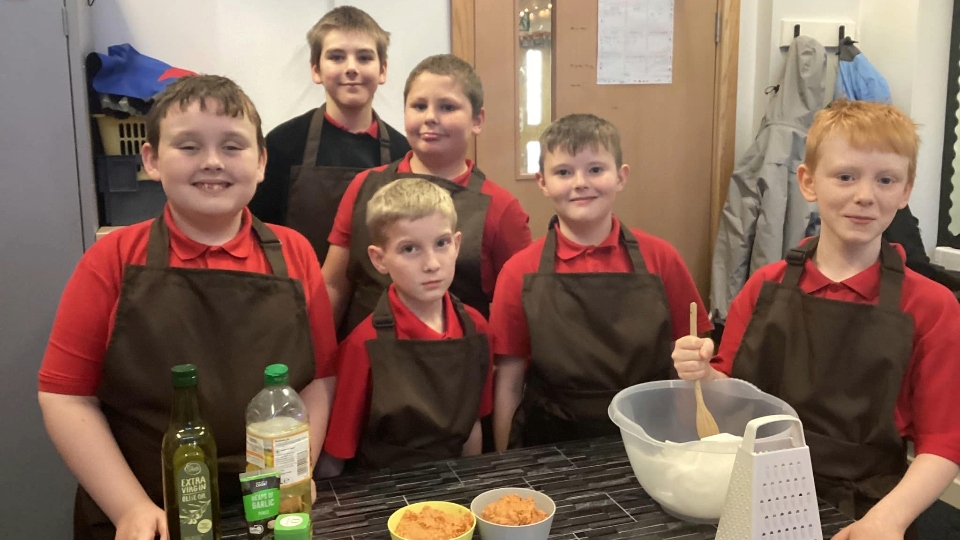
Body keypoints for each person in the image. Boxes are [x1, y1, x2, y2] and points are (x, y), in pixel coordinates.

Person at [37, 75, 339, 540]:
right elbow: (66, 396)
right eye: (190, 146)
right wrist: (128, 507)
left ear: (261, 163)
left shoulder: (295, 253)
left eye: (233, 146)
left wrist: (296, 473)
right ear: (152, 160)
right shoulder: (112, 259)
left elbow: (319, 380)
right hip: (148, 510)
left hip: (269, 507)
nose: (213, 162)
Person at [673, 99, 960, 540]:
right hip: (752, 497)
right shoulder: (764, 287)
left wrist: (888, 520)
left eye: (886, 180)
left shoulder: (932, 307)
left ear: (905, 191)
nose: (865, 195)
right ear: (808, 181)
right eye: (845, 176)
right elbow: (728, 404)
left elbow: (943, 443)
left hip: (867, 510)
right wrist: (704, 376)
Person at [490, 113, 710, 450]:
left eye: (595, 169)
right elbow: (508, 380)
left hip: (650, 439)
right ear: (542, 182)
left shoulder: (662, 260)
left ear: (621, 177)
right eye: (564, 172)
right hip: (549, 446)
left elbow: (693, 361)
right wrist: (504, 463)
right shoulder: (519, 272)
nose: (580, 182)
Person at [322, 53, 532, 339]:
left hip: (457, 368)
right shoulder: (364, 187)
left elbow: (516, 310)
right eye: (419, 106)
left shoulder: (501, 208)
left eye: (447, 107)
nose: (430, 117)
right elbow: (334, 285)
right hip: (367, 363)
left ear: (477, 120)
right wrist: (323, 366)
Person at [322, 178, 493, 471]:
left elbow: (473, 424)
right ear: (379, 259)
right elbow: (336, 455)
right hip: (383, 489)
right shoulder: (363, 344)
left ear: (457, 244)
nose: (431, 264)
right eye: (410, 249)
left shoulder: (476, 328)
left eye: (441, 243)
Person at [248, 5, 410, 264]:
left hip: (378, 300)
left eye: (364, 58)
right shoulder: (283, 144)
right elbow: (257, 233)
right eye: (336, 57)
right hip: (299, 294)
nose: (351, 68)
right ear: (316, 70)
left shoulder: (403, 153)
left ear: (382, 70)